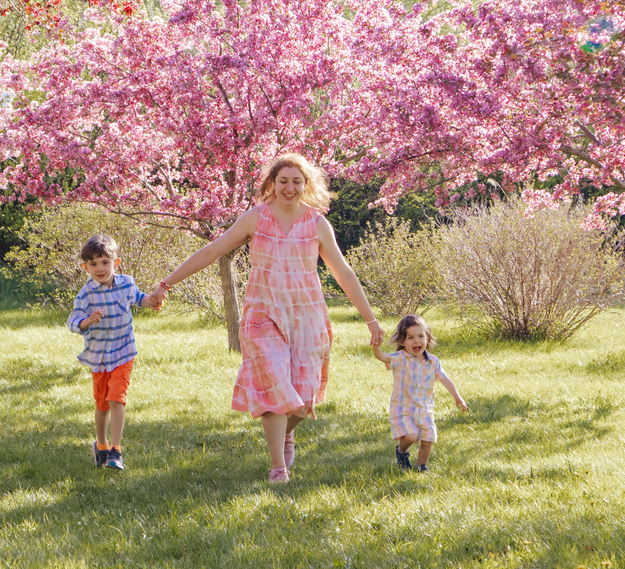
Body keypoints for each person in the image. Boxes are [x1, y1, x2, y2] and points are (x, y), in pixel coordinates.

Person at [149, 153, 384, 483]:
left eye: (296, 181)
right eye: (283, 181)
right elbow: (211, 250)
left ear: (307, 185)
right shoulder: (255, 218)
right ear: (271, 183)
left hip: (306, 315)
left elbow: (342, 272)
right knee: (273, 382)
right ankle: (278, 468)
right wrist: (165, 284)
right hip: (263, 313)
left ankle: (285, 434)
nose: (289, 188)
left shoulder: (317, 223)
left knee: (303, 398)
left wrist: (371, 320)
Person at [68, 234, 160, 470]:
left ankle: (116, 451)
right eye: (93, 264)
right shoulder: (86, 294)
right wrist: (87, 321)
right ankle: (101, 445)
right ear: (85, 267)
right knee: (102, 407)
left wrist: (152, 301)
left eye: (105, 262)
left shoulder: (127, 283)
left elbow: (140, 299)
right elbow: (72, 322)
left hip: (123, 353)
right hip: (99, 358)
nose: (100, 268)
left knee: (116, 399)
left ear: (116, 263)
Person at [372, 314, 467, 472]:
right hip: (403, 409)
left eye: (421, 336)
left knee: (428, 440)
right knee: (411, 436)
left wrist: (458, 397)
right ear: (402, 341)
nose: (417, 341)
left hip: (425, 410)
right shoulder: (400, 359)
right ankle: (401, 452)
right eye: (410, 337)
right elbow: (381, 356)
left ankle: (421, 466)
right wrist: (376, 345)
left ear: (427, 338)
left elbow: (445, 379)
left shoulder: (433, 362)